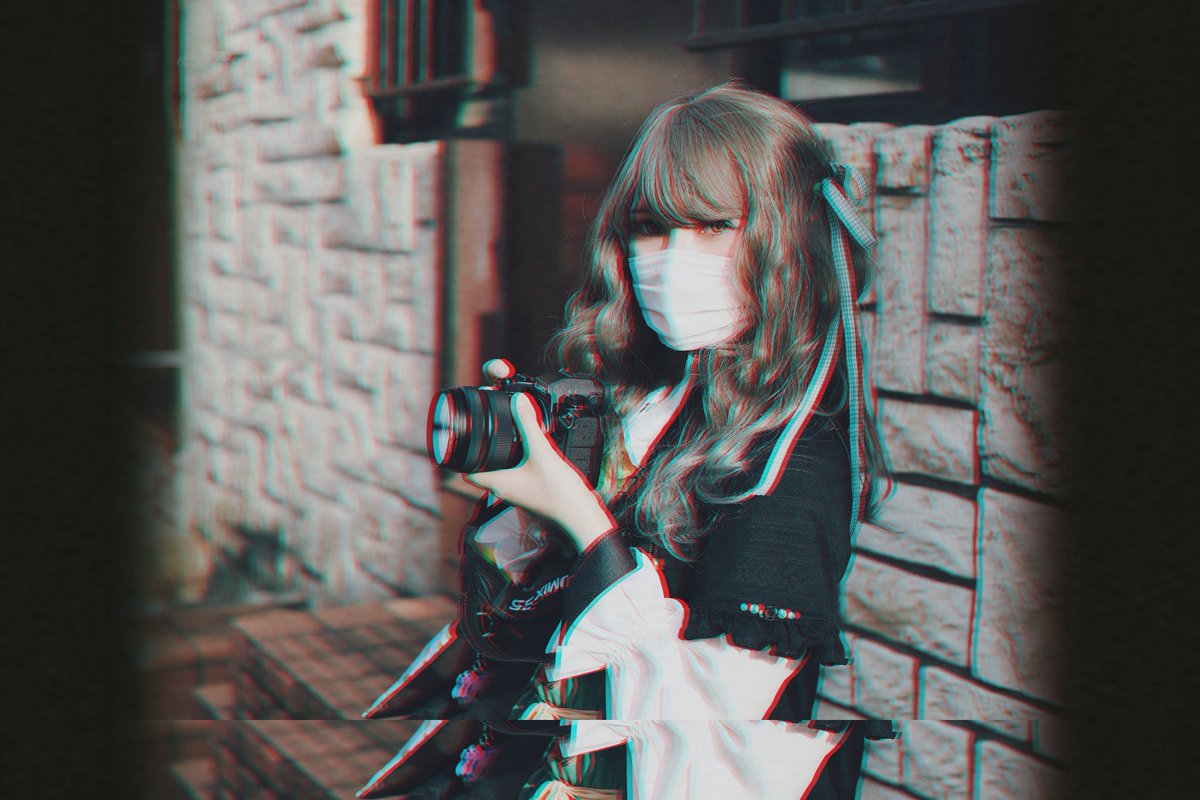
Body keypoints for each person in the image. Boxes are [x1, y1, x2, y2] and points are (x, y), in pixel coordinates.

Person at [363, 81, 895, 800]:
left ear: (787, 238)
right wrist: (534, 487)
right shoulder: (658, 395)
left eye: (713, 226)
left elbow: (714, 729)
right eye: (650, 228)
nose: (673, 259)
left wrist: (583, 524)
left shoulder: (794, 461)